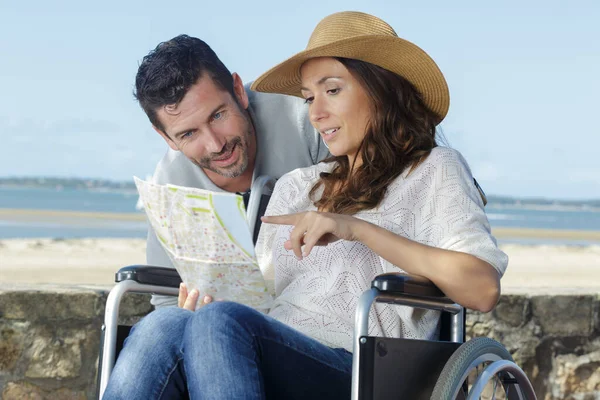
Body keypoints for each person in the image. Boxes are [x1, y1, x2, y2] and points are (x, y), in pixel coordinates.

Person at [104, 11, 508, 399]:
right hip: (269, 348)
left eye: (332, 90)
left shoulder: (432, 169)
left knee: (219, 323)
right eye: (308, 97)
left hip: (361, 366)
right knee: (165, 324)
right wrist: (212, 297)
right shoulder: (297, 186)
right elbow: (258, 302)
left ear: (380, 86)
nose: (316, 113)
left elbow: (482, 288)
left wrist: (357, 229)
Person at [102, 34, 328, 399]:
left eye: (218, 115)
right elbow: (166, 302)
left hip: (307, 334)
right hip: (223, 338)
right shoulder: (170, 183)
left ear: (239, 91)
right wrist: (191, 310)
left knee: (217, 324)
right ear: (166, 137)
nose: (215, 144)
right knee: (162, 325)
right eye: (188, 133)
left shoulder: (308, 119)